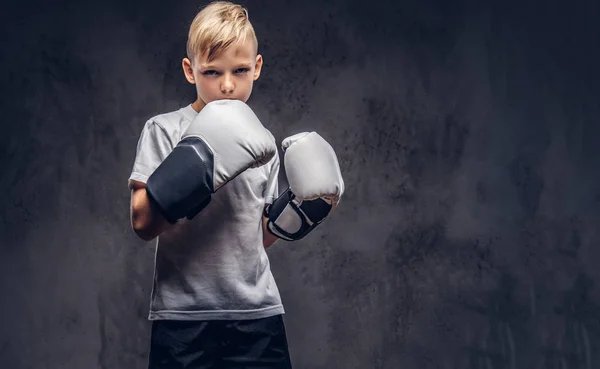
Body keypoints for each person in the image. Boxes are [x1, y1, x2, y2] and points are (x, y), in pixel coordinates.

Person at [127, 1, 344, 368]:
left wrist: (298, 212)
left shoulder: (262, 143)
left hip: (257, 315)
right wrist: (192, 169)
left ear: (256, 67)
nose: (227, 85)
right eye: (212, 72)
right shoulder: (163, 130)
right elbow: (142, 223)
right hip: (182, 317)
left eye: (239, 70)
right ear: (190, 71)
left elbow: (256, 236)